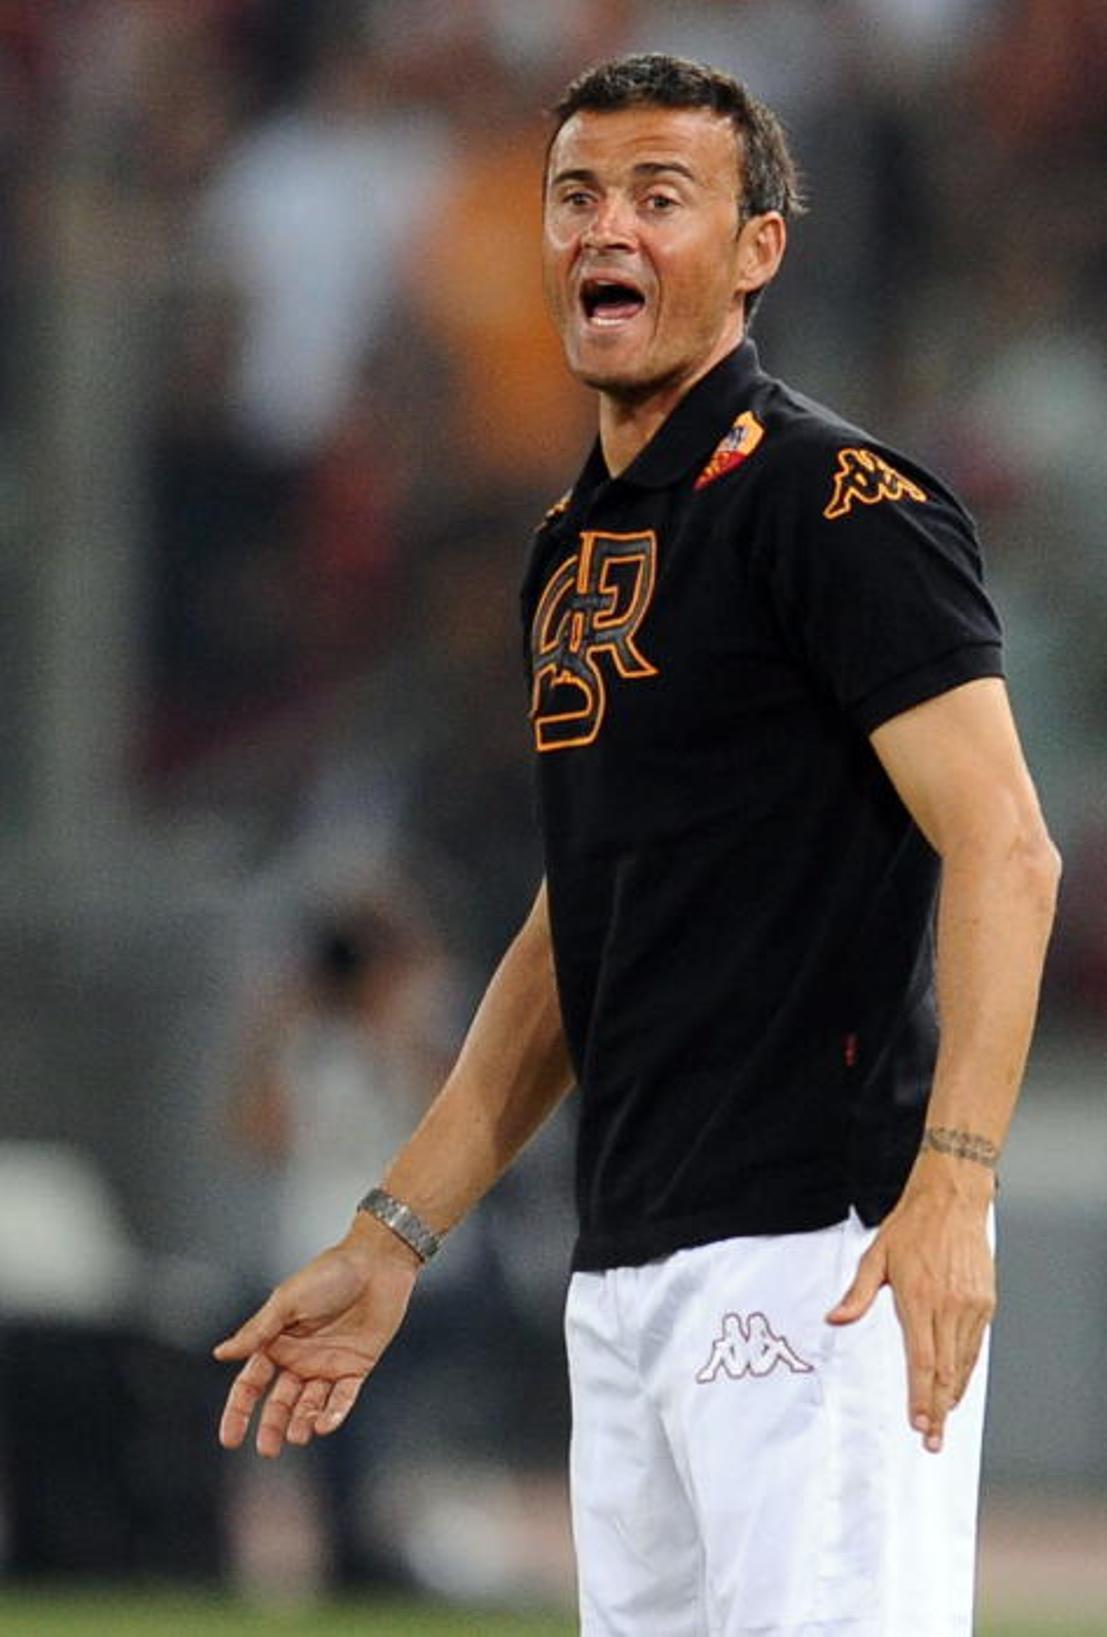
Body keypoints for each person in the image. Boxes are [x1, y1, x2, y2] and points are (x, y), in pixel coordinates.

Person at [215, 54, 1061, 1635]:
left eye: (661, 196)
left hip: (820, 1246)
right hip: (625, 1268)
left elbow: (1008, 843)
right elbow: (580, 926)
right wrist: (393, 1235)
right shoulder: (573, 547)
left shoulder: (837, 502)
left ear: (758, 249)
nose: (607, 227)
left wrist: (952, 1182)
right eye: (577, 195)